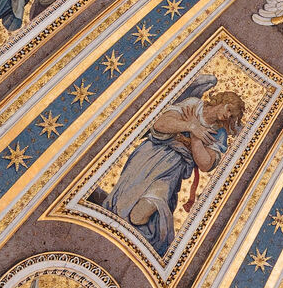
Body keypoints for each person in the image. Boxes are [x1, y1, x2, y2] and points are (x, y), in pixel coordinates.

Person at [97, 87, 247, 262]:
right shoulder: (193, 105)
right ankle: (111, 243)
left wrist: (195, 135)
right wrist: (189, 125)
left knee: (142, 213)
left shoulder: (219, 134)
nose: (228, 116)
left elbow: (206, 164)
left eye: (232, 115)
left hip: (173, 169)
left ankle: (140, 247)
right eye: (229, 109)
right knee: (121, 202)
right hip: (150, 154)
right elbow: (159, 124)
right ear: (222, 100)